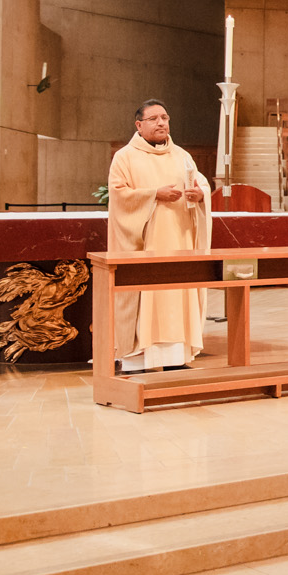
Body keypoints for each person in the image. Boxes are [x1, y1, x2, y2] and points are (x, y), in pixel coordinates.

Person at [106, 99, 211, 371]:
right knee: (148, 298)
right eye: (153, 119)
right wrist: (154, 195)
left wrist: (200, 195)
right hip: (146, 245)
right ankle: (139, 359)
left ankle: (176, 357)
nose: (161, 123)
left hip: (180, 240)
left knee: (176, 295)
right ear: (139, 125)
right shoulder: (125, 157)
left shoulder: (182, 156)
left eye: (164, 117)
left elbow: (200, 184)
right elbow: (119, 195)